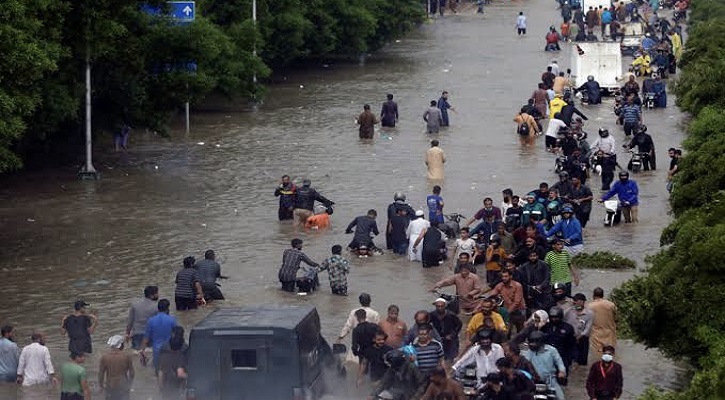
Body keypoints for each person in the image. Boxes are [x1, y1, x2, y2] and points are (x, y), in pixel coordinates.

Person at [522, 331, 567, 400]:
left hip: (550, 380)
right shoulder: (528, 352)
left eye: (534, 343)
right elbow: (524, 362)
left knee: (560, 397)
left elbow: (559, 362)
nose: (531, 344)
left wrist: (562, 371)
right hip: (534, 381)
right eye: (530, 342)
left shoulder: (551, 350)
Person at [141, 299, 176, 372]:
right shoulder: (172, 320)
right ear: (167, 308)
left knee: (157, 372)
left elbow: (146, 339)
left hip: (156, 351)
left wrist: (142, 352)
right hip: (168, 350)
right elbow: (176, 336)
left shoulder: (151, 320)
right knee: (169, 372)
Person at [98, 335, 134, 400]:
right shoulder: (126, 356)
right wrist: (129, 384)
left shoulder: (105, 357)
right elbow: (132, 373)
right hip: (123, 384)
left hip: (110, 384)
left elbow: (101, 374)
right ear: (120, 345)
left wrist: (101, 386)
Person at [125, 286, 159, 354]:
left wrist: (127, 334)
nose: (158, 295)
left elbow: (130, 322)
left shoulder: (135, 305)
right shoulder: (156, 306)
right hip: (150, 336)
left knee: (136, 354)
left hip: (136, 335)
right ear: (152, 295)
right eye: (157, 293)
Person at [588, 288, 617, 360]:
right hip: (609, 333)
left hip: (596, 334)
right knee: (610, 355)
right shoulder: (611, 305)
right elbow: (616, 317)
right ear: (603, 295)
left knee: (599, 356)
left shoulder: (590, 306)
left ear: (593, 296)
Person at [430, 298, 463, 363]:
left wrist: (453, 334)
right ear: (435, 306)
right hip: (438, 339)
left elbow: (459, 325)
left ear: (445, 306)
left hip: (451, 339)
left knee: (450, 358)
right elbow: (427, 324)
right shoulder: (432, 315)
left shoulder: (451, 315)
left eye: (442, 306)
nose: (440, 308)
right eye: (438, 306)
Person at [564, 293, 593, 367]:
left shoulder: (589, 313)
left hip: (583, 339)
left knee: (582, 362)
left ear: (584, 302)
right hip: (570, 339)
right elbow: (562, 320)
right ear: (574, 302)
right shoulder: (569, 311)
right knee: (569, 360)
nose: (578, 303)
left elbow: (588, 328)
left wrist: (580, 336)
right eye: (576, 301)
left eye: (581, 301)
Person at [352, 309, 381, 382]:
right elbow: (383, 336)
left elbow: (354, 347)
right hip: (375, 352)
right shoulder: (374, 326)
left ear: (357, 317)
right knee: (375, 373)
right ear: (365, 316)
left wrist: (357, 353)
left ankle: (362, 389)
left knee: (363, 374)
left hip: (363, 353)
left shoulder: (356, 330)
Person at [157, 336, 187, 400]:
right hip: (177, 389)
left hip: (166, 389)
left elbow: (160, 374)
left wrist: (161, 387)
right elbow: (180, 374)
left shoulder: (163, 356)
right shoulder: (181, 357)